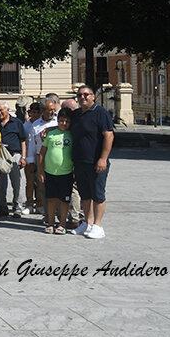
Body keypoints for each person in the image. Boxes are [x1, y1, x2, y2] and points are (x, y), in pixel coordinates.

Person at [68, 85, 114, 239]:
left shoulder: (100, 113)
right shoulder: (76, 115)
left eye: (86, 94)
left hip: (96, 162)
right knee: (85, 194)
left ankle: (98, 226)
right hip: (80, 162)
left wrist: (103, 159)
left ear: (93, 96)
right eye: (80, 95)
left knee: (98, 194)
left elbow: (108, 136)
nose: (83, 97)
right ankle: (87, 223)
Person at [38, 108, 74, 234]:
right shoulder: (51, 134)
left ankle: (62, 224)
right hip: (50, 172)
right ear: (57, 121)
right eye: (61, 121)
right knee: (51, 199)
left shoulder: (72, 135)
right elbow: (42, 153)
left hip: (66, 173)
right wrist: (41, 171)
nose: (64, 123)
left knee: (64, 200)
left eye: (67, 121)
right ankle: (50, 223)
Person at [0, 101, 27, 218]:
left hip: (14, 155)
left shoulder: (17, 123)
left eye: (1, 110)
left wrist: (23, 157)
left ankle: (18, 208)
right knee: (0, 184)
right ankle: (3, 208)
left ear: (7, 110)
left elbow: (23, 140)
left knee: (17, 183)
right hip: (0, 156)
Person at [26, 98, 58, 215]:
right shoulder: (35, 125)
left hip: (57, 161)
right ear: (43, 110)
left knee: (57, 189)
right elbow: (31, 144)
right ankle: (47, 214)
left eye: (53, 110)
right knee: (42, 188)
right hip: (42, 160)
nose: (52, 112)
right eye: (49, 110)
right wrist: (30, 161)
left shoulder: (58, 122)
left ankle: (59, 214)